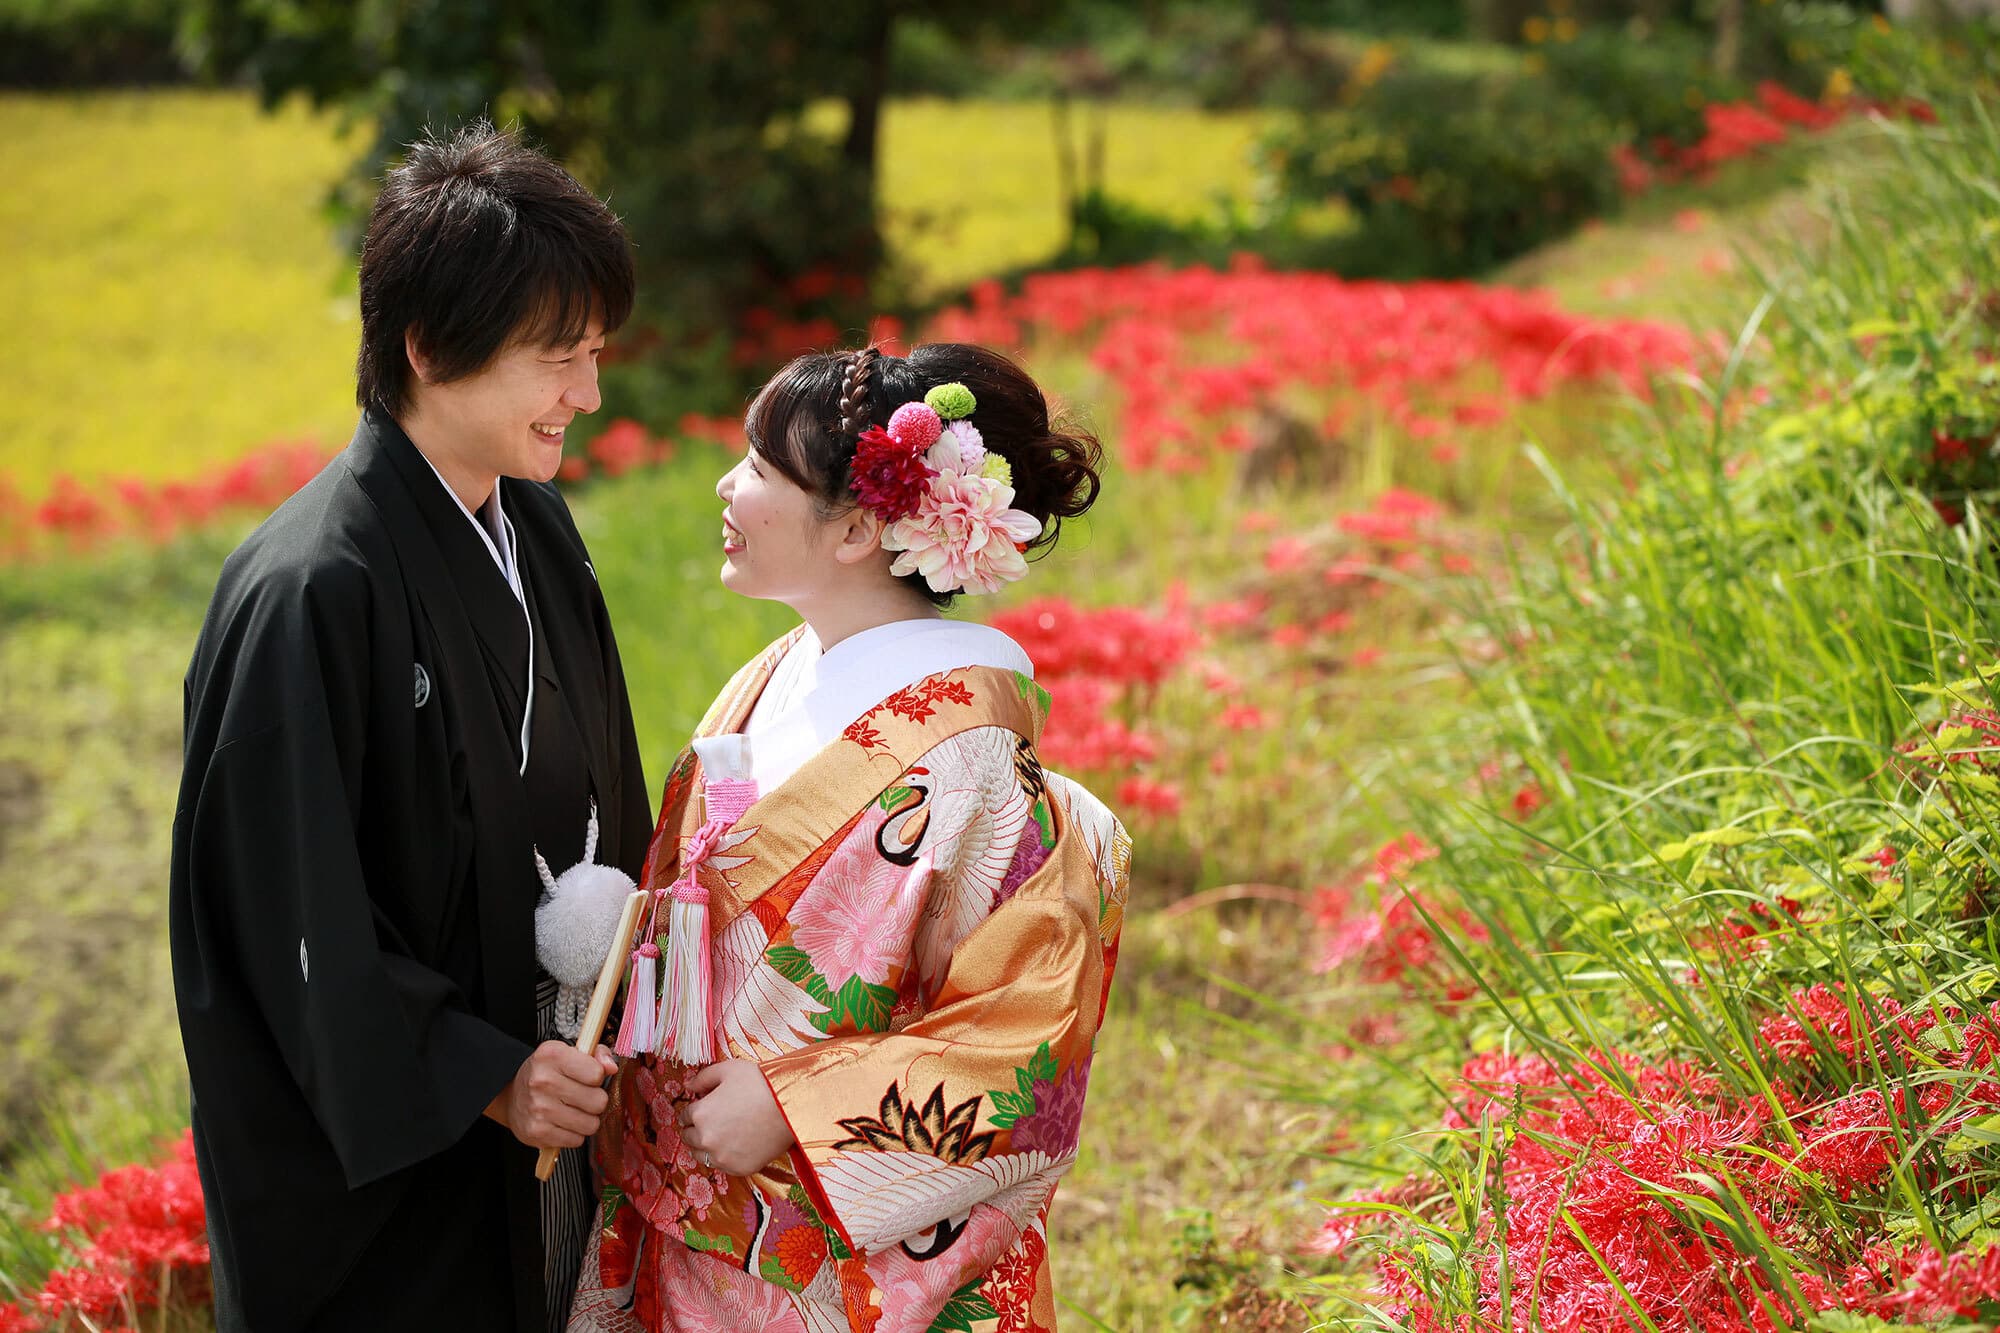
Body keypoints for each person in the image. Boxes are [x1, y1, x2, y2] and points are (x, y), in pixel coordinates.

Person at [169, 121, 651, 1333]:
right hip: (396, 1173)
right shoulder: (310, 588)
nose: (587, 395)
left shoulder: (533, 527)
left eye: (593, 354)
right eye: (557, 357)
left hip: (546, 1106)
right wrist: (487, 1079)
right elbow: (285, 914)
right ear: (430, 347)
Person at [566, 344, 1131, 1332]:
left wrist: (792, 1103)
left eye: (756, 467)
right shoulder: (773, 677)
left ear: (860, 528)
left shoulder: (976, 772)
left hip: (824, 1266)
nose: (723, 484)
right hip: (679, 1221)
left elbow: (1022, 1053)